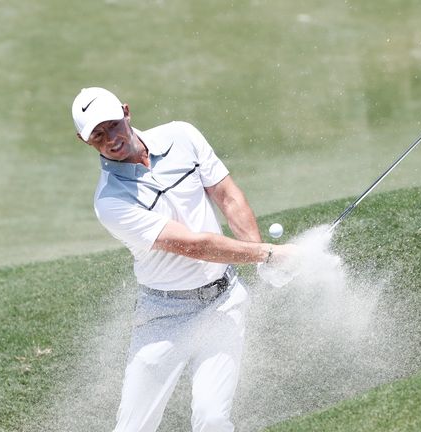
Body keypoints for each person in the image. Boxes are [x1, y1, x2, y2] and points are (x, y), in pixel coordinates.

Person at [71, 87, 297, 432]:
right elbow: (193, 246)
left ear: (126, 112)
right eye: (97, 135)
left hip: (224, 303)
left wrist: (259, 258)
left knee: (212, 418)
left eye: (113, 125)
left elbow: (227, 196)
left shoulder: (182, 136)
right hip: (164, 315)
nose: (111, 139)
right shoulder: (110, 202)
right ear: (84, 141)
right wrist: (265, 253)